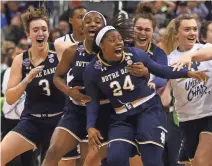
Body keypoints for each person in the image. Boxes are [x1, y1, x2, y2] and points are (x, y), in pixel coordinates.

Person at [83, 24, 208, 166]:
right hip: (122, 117)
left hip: (149, 109)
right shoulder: (92, 70)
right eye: (112, 40)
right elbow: (93, 100)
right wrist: (90, 126)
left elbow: (161, 70)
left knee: (152, 161)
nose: (119, 43)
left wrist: (187, 73)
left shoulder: (134, 54)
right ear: (102, 46)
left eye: (120, 39)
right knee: (115, 159)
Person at [0, 7, 79, 166]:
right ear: (28, 34)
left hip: (60, 122)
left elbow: (84, 66)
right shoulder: (21, 60)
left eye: (44, 29)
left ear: (48, 32)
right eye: (35, 30)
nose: (40, 33)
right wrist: (26, 80)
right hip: (32, 121)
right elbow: (9, 98)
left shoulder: (59, 51)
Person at [167, 14, 212, 166]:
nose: (192, 33)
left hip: (209, 115)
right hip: (187, 121)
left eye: (194, 29)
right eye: (187, 29)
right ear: (176, 34)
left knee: (201, 162)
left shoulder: (205, 48)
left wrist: (190, 56)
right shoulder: (169, 60)